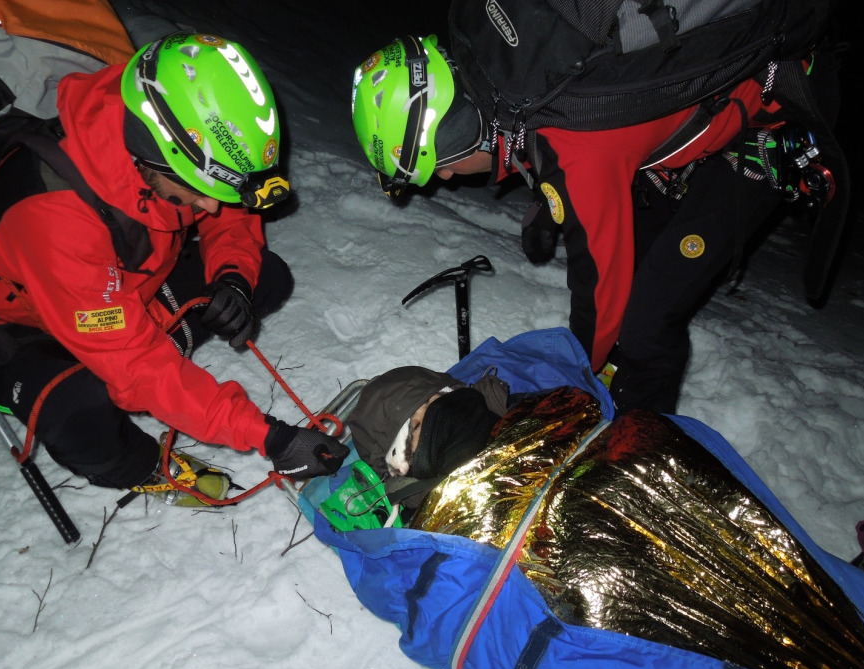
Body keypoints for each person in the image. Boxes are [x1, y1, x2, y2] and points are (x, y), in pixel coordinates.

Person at [0, 32, 348, 502]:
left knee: (264, 277)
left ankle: (169, 363)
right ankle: (143, 465)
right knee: (80, 413)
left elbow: (229, 205)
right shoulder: (51, 221)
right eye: (199, 194)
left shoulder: (168, 129)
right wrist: (269, 436)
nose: (209, 211)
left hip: (128, 289)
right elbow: (136, 365)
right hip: (33, 324)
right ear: (153, 155)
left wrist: (231, 275)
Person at [350, 35, 824, 415]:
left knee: (646, 317)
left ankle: (640, 448)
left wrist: (571, 381)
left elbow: (599, 291)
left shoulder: (578, 152)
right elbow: (539, 125)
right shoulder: (504, 64)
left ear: (451, 135)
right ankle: (621, 384)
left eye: (437, 167)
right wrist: (546, 191)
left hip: (771, 113)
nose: (447, 178)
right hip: (694, 114)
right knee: (638, 266)